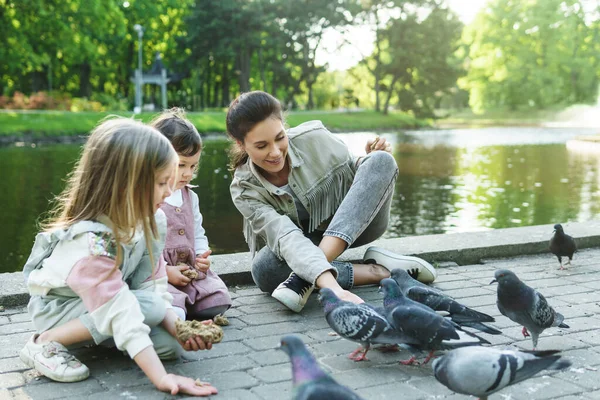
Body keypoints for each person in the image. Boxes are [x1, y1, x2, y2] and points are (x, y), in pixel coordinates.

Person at [20, 117, 218, 397]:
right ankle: (45, 342)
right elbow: (125, 305)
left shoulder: (153, 220)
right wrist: (162, 379)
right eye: (162, 182)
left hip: (111, 302)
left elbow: (152, 285)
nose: (170, 191)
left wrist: (181, 329)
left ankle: (109, 338)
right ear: (126, 185)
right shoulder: (91, 242)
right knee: (144, 309)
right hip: (59, 310)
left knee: (169, 346)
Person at [227, 91, 436, 313]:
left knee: (381, 161)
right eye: (261, 146)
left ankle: (302, 279)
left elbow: (353, 173)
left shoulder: (314, 137)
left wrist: (369, 159)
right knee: (265, 271)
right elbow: (286, 238)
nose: (275, 152)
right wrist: (336, 289)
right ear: (241, 144)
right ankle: (380, 271)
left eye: (280, 137)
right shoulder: (244, 189)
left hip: (358, 225)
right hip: (303, 242)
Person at [149, 108, 232, 321]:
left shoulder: (189, 197)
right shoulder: (148, 197)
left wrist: (201, 255)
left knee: (218, 297)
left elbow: (198, 232)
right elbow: (143, 245)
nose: (187, 173)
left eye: (193, 166)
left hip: (188, 266)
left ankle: (196, 304)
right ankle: (175, 310)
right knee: (168, 299)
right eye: (181, 165)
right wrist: (165, 271)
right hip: (158, 270)